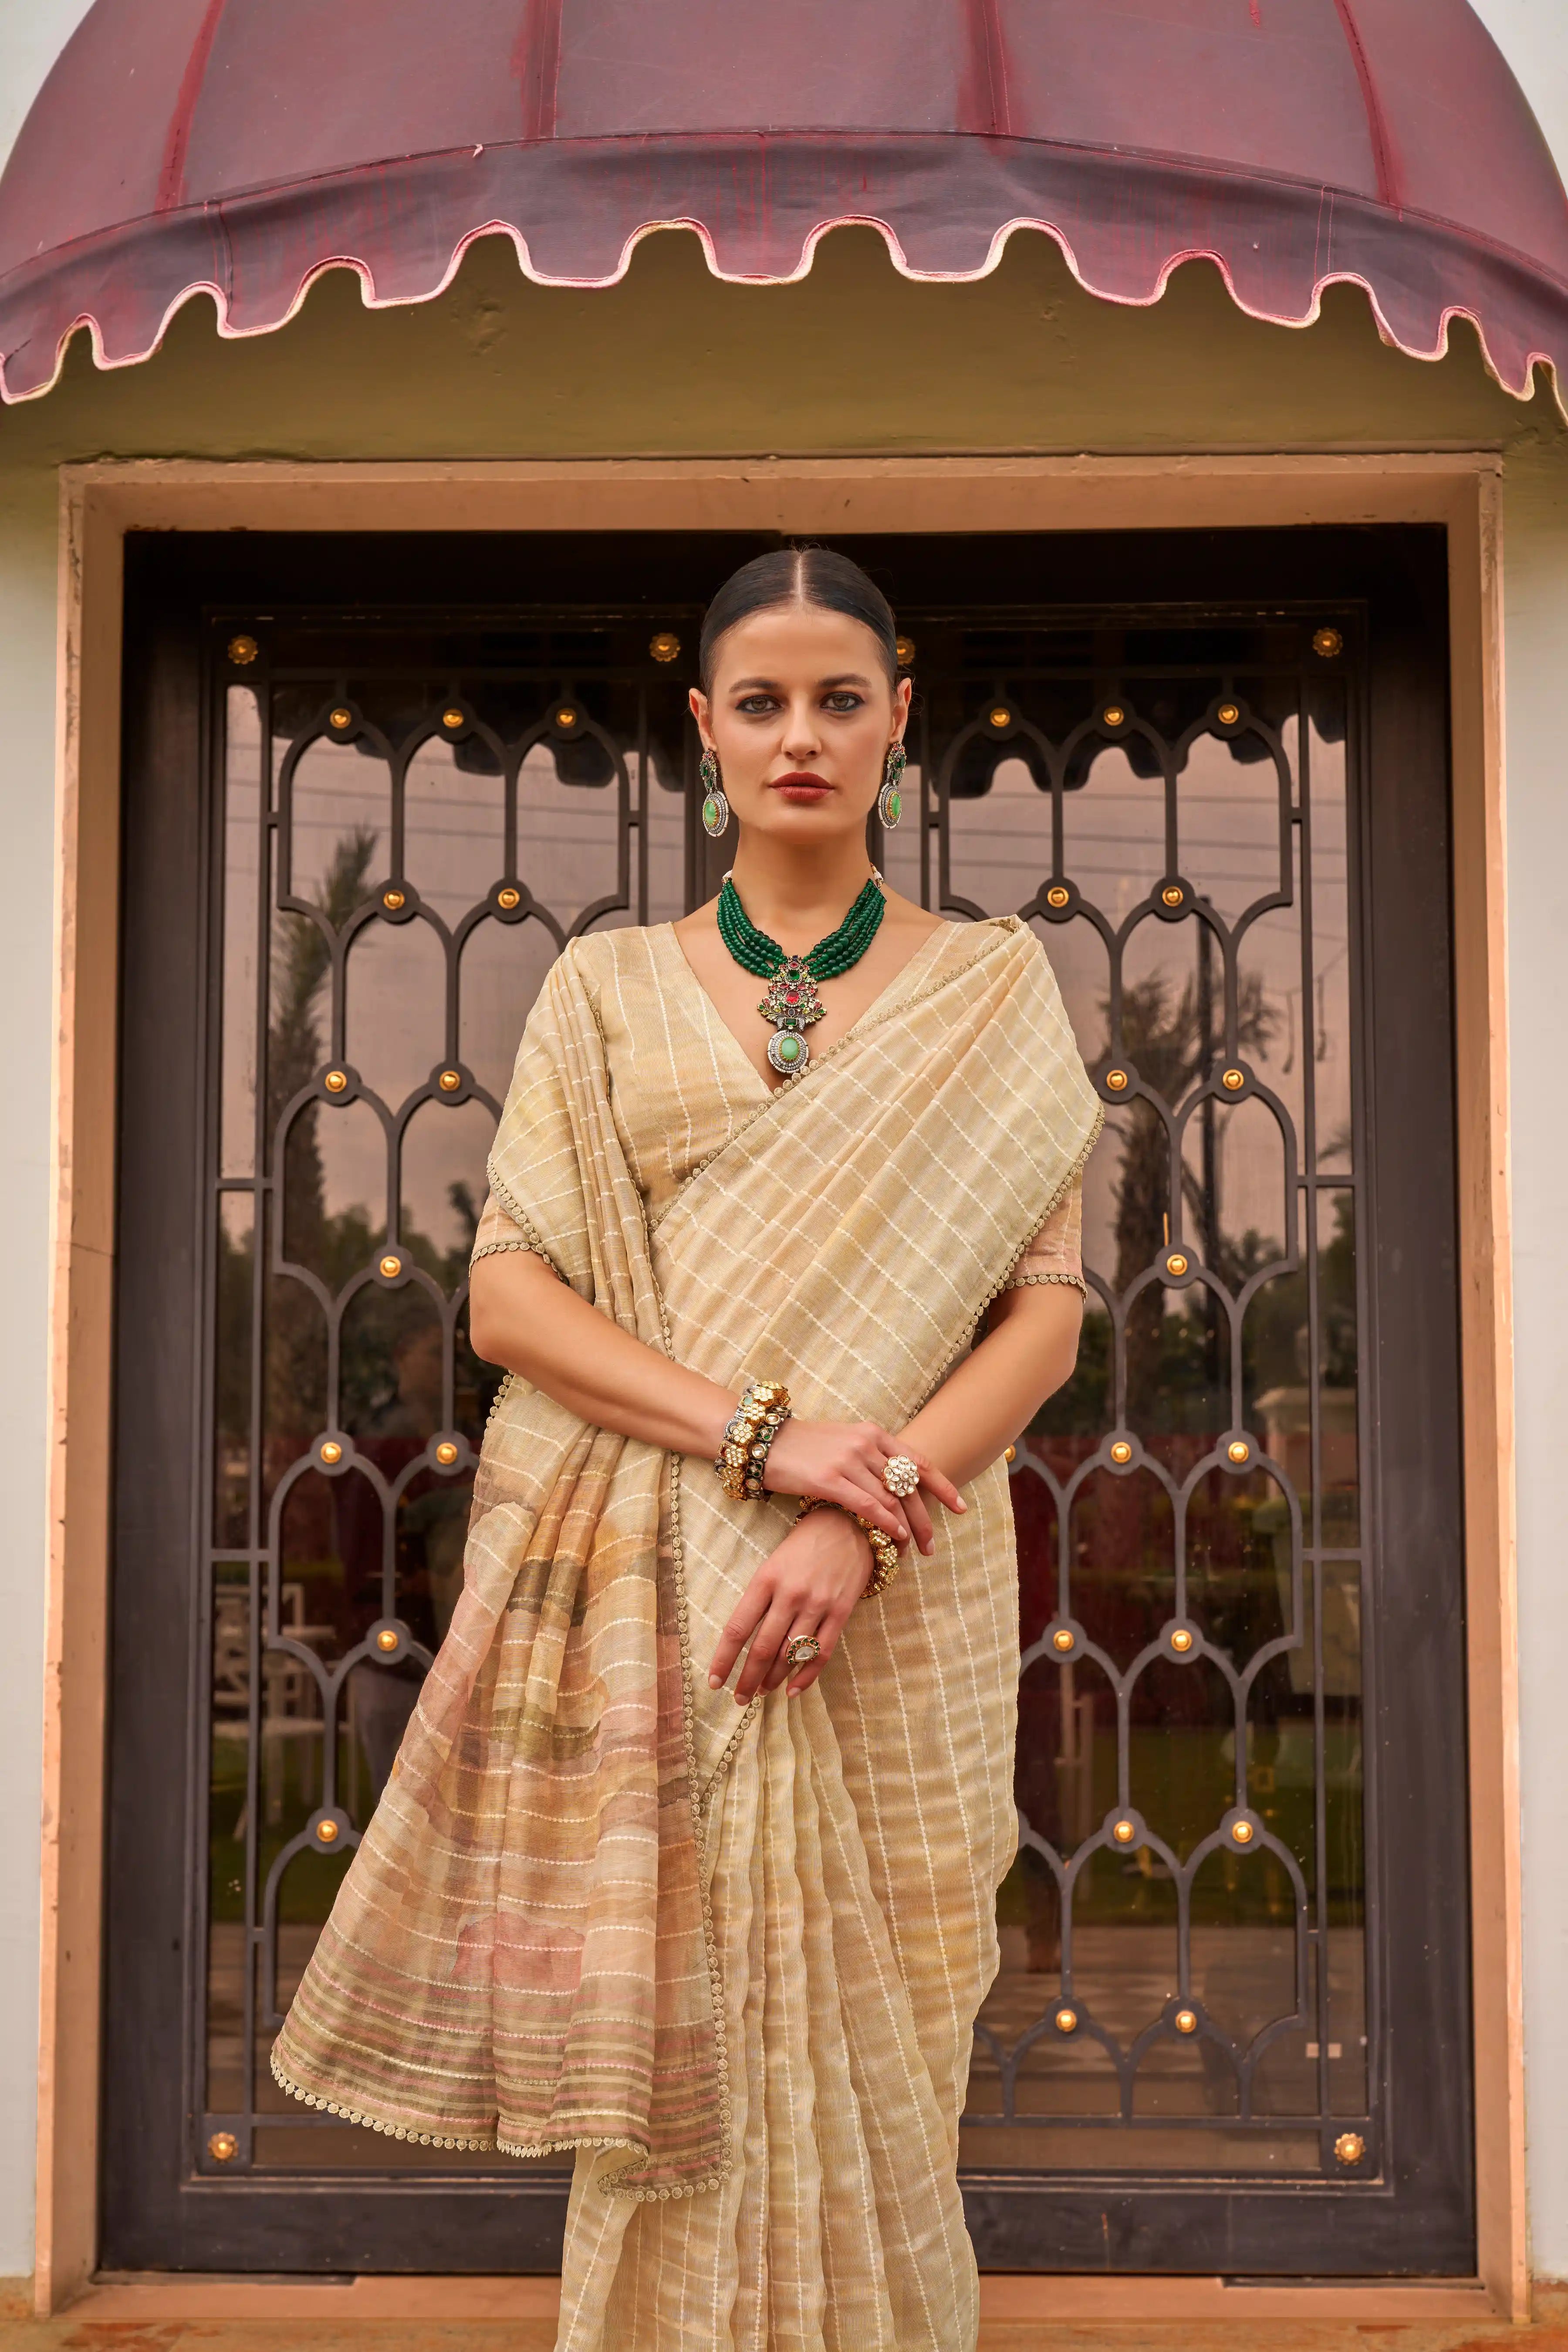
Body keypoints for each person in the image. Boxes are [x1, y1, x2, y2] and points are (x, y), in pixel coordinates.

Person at [273, 547, 1101, 2351]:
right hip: (673, 1579)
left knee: (892, 2027)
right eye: (760, 701)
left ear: (901, 721)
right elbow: (508, 1299)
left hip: (902, 1577)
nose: (799, 735)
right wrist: (766, 1443)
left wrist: (856, 1524)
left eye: (838, 698)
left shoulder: (994, 993)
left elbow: (1044, 1316)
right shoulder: (609, 989)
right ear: (702, 730)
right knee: (686, 2032)